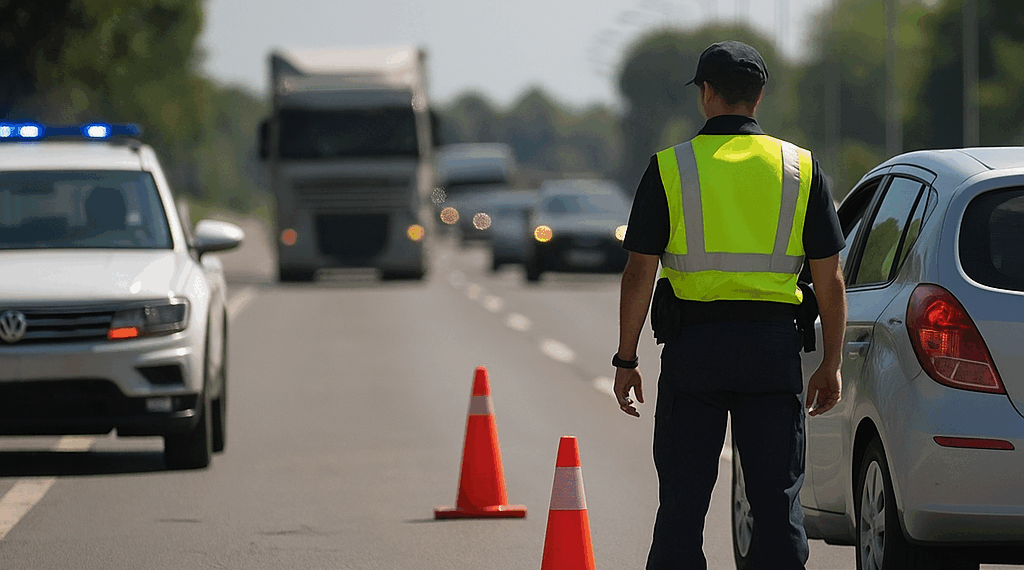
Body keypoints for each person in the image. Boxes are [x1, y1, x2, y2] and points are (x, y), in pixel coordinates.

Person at [611, 40, 848, 570]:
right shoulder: (800, 168)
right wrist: (831, 362)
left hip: (694, 352)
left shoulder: (670, 168)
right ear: (759, 96)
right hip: (772, 352)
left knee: (682, 504)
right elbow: (830, 278)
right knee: (776, 506)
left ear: (706, 93)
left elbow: (638, 273)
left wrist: (626, 359)